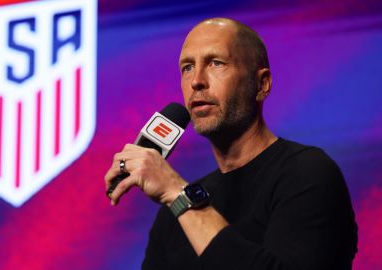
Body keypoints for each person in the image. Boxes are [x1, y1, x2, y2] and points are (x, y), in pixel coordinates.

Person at [104, 18, 357, 270]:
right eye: (187, 67)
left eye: (216, 63)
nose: (196, 81)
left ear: (261, 84)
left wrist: (178, 194)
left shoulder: (308, 174)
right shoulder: (172, 215)